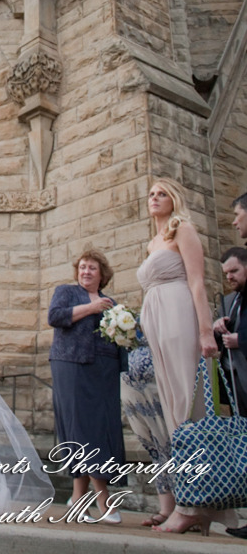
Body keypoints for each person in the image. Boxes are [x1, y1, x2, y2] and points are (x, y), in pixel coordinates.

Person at [137, 177, 230, 536]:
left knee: (187, 407)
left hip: (178, 317)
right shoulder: (153, 241)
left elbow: (197, 281)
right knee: (174, 409)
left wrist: (206, 331)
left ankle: (193, 505)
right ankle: (192, 501)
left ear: (174, 200)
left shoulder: (183, 230)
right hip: (156, 324)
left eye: (162, 194)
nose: (155, 198)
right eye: (151, 194)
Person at [47, 248, 125, 524]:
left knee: (101, 428)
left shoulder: (110, 302)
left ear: (102, 274)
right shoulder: (66, 292)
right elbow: (55, 317)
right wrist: (91, 309)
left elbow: (119, 335)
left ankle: (78, 499)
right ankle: (103, 498)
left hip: (104, 370)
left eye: (92, 268)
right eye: (82, 267)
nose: (86, 272)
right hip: (71, 364)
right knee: (81, 427)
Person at [120, 336, 175, 526]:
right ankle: (166, 508)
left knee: (170, 444)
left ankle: (184, 508)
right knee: (154, 447)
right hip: (134, 390)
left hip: (162, 381)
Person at [214, 247, 247, 415]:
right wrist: (217, 327)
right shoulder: (228, 300)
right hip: (233, 380)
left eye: (234, 271)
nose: (229, 277)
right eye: (226, 273)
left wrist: (240, 339)